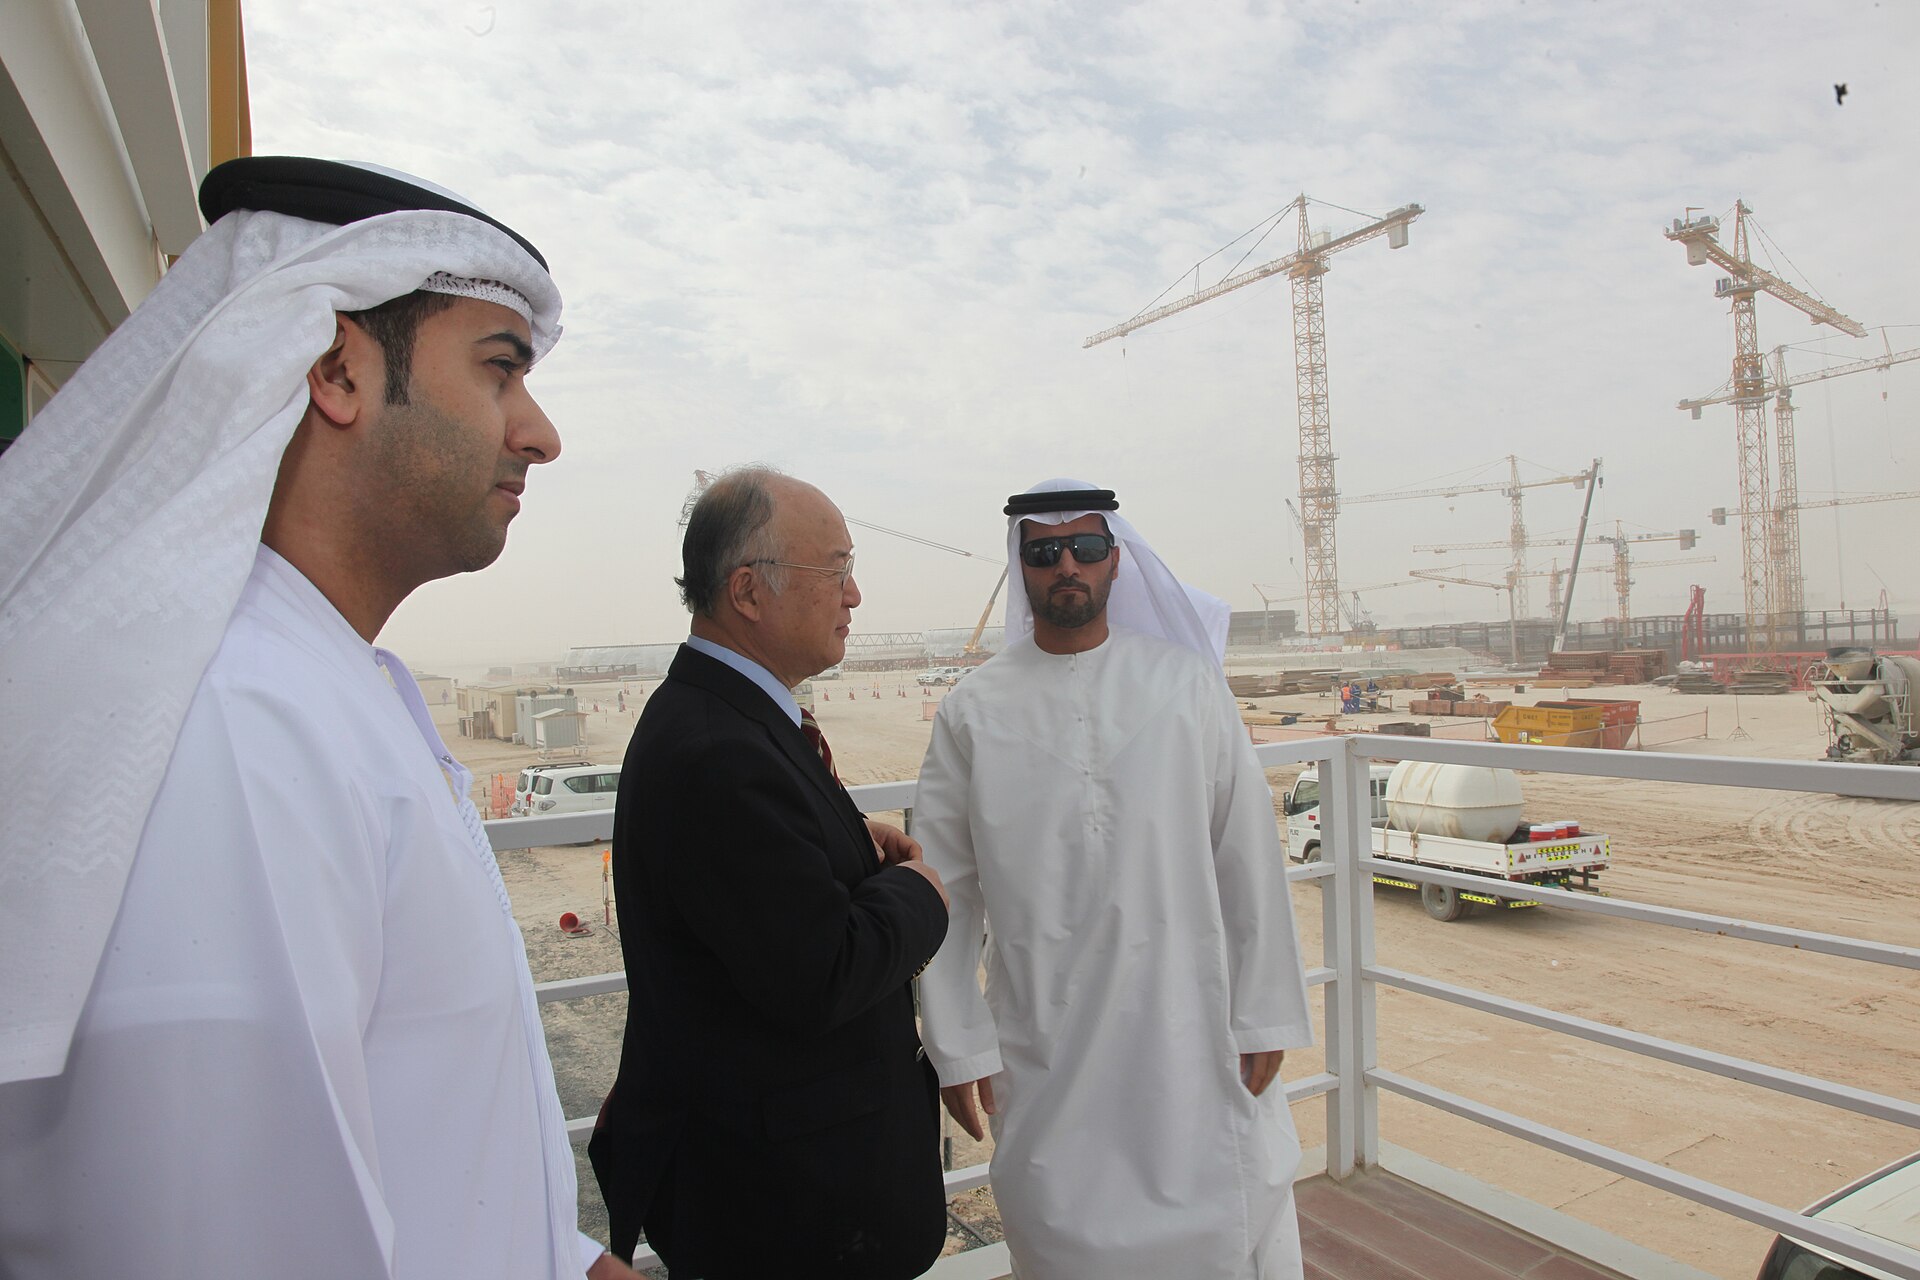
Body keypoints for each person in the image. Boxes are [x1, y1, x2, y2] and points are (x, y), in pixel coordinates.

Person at [0, 157, 635, 1279]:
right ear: (336, 369)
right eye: (500, 372)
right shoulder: (237, 725)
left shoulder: (331, 684)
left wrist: (562, 1253)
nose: (539, 433)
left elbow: (416, 1114)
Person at [914, 478, 1314, 1280]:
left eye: (1086, 548)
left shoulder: (1185, 685)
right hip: (1048, 1041)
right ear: (1021, 567)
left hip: (1190, 1032)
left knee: (1217, 1229)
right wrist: (957, 1048)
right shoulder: (972, 711)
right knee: (1061, 1237)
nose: (1068, 565)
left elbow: (1247, 854)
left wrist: (1265, 1010)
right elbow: (944, 897)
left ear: (1116, 561)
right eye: (1045, 551)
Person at [591, 466, 951, 1279]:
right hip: (788, 1211)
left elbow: (755, 879)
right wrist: (920, 894)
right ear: (749, 591)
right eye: (837, 570)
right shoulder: (718, 749)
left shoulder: (727, 717)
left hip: (784, 1189)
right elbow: (822, 971)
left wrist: (848, 840)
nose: (854, 596)